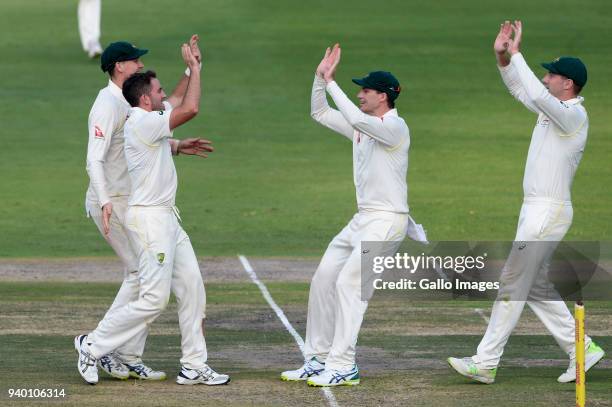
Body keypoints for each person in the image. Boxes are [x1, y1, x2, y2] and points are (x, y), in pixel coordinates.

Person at [447, 20, 605, 384]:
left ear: (568, 83)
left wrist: (518, 54)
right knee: (532, 286)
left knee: (512, 281)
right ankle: (583, 349)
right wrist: (503, 58)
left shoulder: (574, 116)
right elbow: (523, 89)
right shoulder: (552, 111)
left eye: (552, 75)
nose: (546, 78)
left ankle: (485, 362)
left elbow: (534, 93)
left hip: (548, 211)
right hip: (535, 210)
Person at [76, 42, 229, 387]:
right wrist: (104, 201)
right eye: (135, 60)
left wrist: (190, 71)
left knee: (190, 288)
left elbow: (166, 109)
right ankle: (95, 346)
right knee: (146, 288)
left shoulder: (137, 108)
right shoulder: (109, 105)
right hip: (122, 203)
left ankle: (190, 364)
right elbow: (96, 159)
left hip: (158, 210)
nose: (141, 63)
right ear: (119, 67)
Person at [280, 44, 426, 387]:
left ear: (384, 97)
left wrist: (333, 84)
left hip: (388, 220)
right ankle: (317, 360)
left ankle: (344, 364)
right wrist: (319, 79)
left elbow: (357, 118)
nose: (360, 94)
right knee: (324, 279)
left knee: (349, 285)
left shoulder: (395, 128)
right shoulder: (363, 128)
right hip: (362, 220)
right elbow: (320, 113)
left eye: (366, 90)